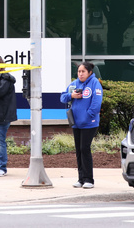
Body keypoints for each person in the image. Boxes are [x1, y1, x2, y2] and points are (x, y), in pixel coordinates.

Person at [60, 60, 102, 189]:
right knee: (78, 150)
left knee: (85, 149)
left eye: (83, 71)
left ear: (90, 72)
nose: (81, 74)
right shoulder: (74, 84)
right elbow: (62, 98)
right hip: (76, 124)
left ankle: (89, 179)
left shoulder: (95, 84)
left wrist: (88, 115)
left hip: (89, 123)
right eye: (79, 71)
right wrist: (71, 95)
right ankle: (81, 179)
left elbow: (96, 103)